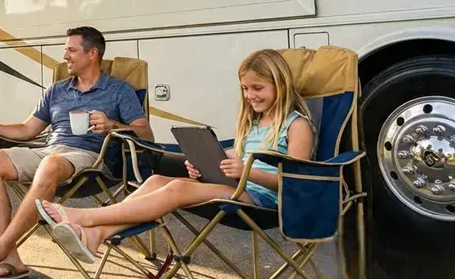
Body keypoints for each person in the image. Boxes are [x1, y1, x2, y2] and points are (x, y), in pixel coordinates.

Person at [37, 48, 317, 265]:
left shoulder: (296, 125)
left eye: (258, 88)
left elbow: (296, 182)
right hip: (238, 190)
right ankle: (96, 235)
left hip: (265, 202)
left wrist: (245, 172)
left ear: (280, 85)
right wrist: (207, 164)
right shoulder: (254, 123)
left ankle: (85, 217)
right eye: (245, 89)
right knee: (159, 179)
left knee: (178, 187)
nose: (250, 96)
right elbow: (235, 156)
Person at [0, 26, 154, 279]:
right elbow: (28, 129)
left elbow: (146, 134)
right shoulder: (56, 90)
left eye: (71, 50)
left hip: (91, 158)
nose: (65, 57)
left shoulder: (118, 90)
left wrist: (112, 125)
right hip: (50, 151)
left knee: (51, 163)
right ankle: (12, 259)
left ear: (92, 54)